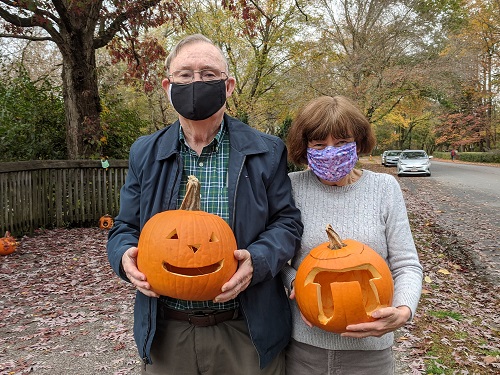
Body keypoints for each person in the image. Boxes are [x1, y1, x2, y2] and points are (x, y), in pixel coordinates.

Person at [106, 34, 303, 375]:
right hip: (168, 331)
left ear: (228, 86)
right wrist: (124, 257)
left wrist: (258, 261)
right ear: (168, 86)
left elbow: (286, 222)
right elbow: (124, 228)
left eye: (209, 74)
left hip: (245, 327)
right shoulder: (145, 153)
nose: (196, 82)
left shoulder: (267, 151)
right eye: (185, 75)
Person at [282, 96, 423, 374]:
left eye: (342, 143)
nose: (331, 152)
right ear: (305, 147)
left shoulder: (384, 189)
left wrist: (403, 310)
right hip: (304, 348)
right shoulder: (290, 188)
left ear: (358, 144)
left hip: (371, 351)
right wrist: (296, 285)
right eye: (319, 145)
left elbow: (406, 263)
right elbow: (278, 260)